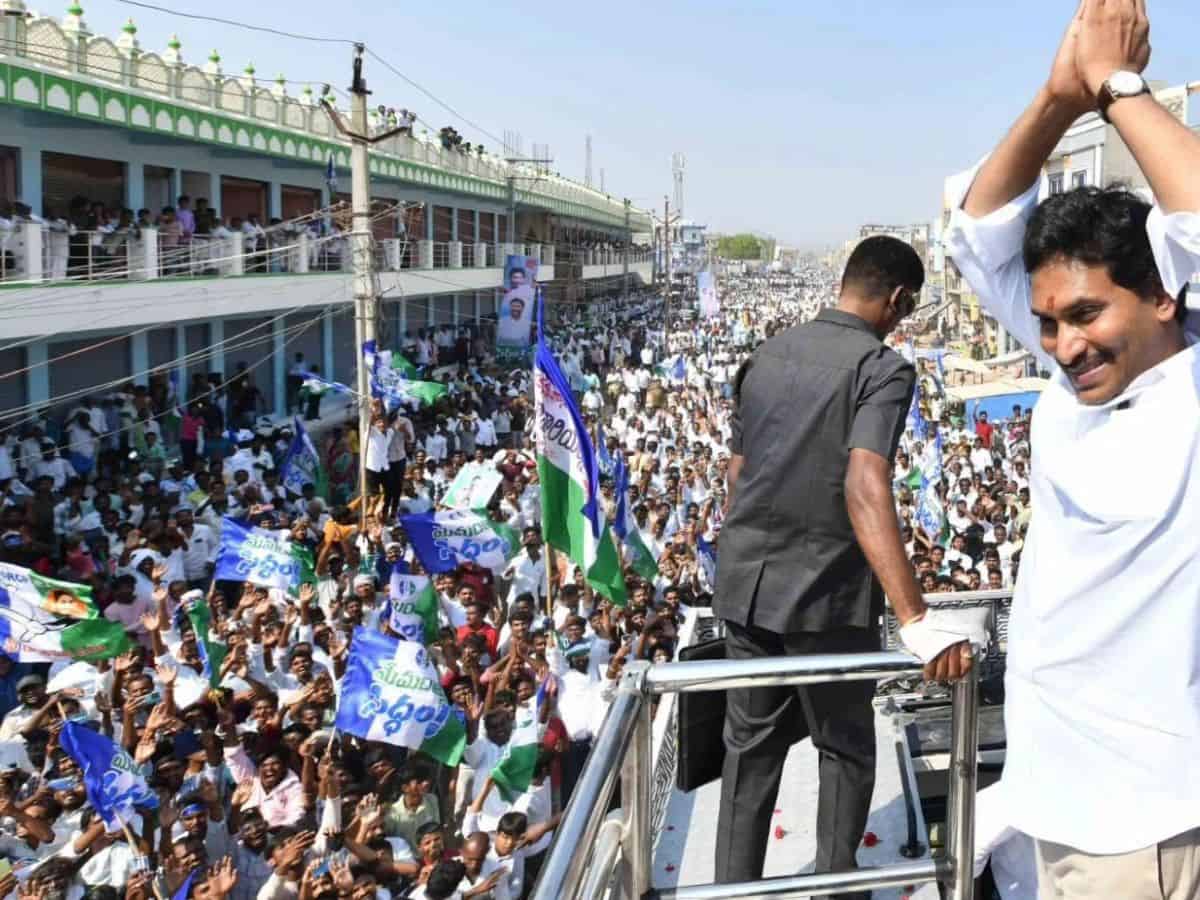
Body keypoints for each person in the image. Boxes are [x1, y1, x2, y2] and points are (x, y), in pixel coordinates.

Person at [943, 1, 1200, 894]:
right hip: (1055, 797)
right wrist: (1058, 95)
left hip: (1148, 821)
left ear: (1164, 294)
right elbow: (977, 233)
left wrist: (1119, 88)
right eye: (1050, 322)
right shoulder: (1072, 374)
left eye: (1087, 314)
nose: (1063, 344)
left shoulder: (1194, 393)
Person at [711, 235, 981, 894]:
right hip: (826, 599)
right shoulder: (880, 368)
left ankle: (729, 890)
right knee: (845, 753)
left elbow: (738, 475)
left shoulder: (765, 355)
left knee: (749, 757)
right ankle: (836, 888)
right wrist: (915, 617)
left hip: (746, 592)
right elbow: (866, 483)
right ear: (898, 299)